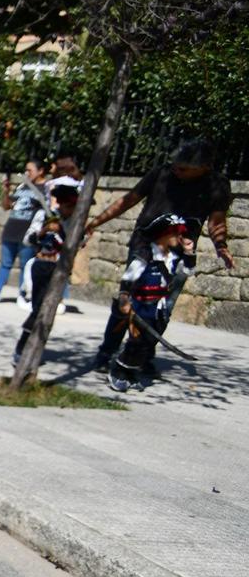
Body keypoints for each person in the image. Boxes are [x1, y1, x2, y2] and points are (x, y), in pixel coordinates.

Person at [85, 139, 235, 366]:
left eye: (183, 168)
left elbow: (216, 221)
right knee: (128, 299)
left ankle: (139, 355)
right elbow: (128, 200)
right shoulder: (161, 174)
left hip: (178, 255)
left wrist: (221, 246)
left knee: (162, 308)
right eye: (175, 164)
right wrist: (96, 221)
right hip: (143, 247)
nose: (176, 169)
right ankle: (107, 351)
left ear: (204, 167)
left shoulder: (217, 184)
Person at [106, 214, 192, 391]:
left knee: (148, 344)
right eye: (176, 233)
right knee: (136, 342)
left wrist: (190, 252)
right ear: (164, 234)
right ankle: (118, 371)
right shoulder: (146, 254)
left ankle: (131, 373)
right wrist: (124, 298)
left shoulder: (174, 256)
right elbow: (129, 279)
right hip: (141, 306)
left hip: (158, 308)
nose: (180, 238)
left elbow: (188, 271)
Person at [13, 176, 81, 362]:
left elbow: (77, 245)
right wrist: (43, 231)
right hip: (42, 266)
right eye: (67, 205)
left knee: (48, 311)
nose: (70, 209)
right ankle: (21, 349)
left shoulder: (75, 223)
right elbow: (29, 240)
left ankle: (34, 348)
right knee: (38, 309)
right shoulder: (44, 216)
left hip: (59, 270)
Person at [0, 158, 49, 305]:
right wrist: (6, 191)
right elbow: (6, 206)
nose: (26, 173)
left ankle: (21, 296)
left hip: (27, 234)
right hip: (11, 230)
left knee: (24, 265)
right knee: (5, 263)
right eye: (25, 170)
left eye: (30, 170)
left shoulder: (46, 189)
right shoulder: (22, 187)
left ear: (40, 171)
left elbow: (48, 211)